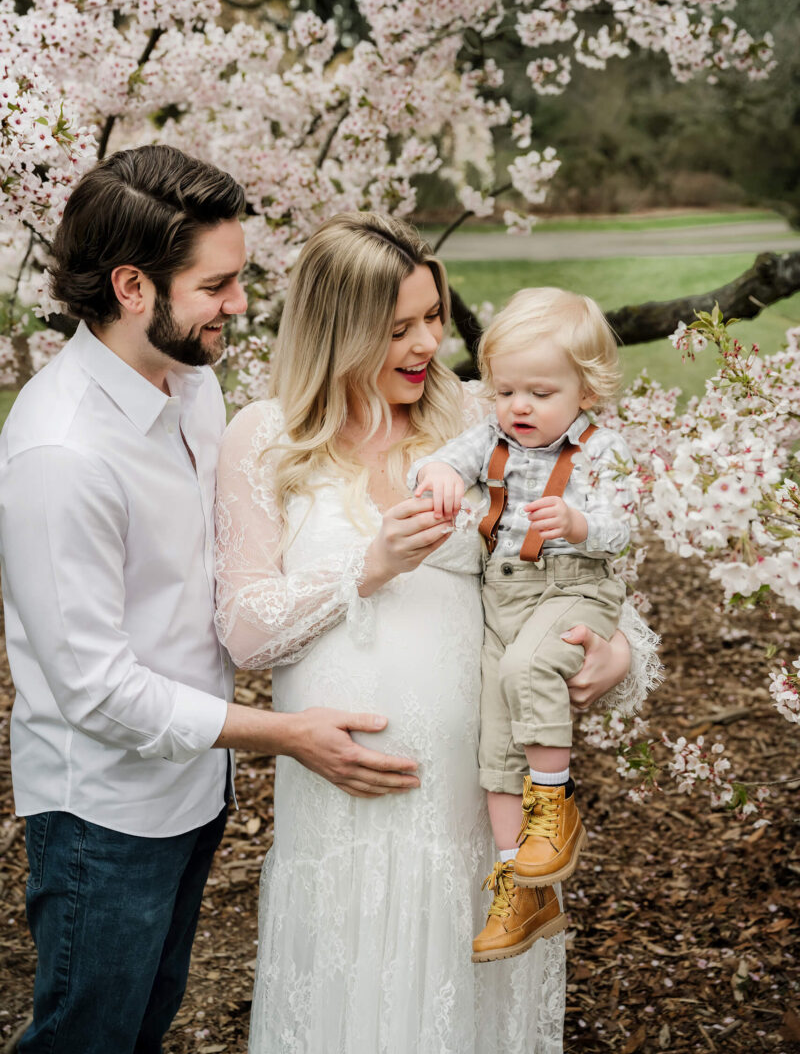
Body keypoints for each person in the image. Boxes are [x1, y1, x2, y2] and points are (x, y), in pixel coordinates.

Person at [0, 148, 420, 1054]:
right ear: (132, 286)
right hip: (101, 814)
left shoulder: (191, 383)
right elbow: (96, 692)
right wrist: (287, 737)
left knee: (145, 1023)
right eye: (218, 284)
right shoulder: (60, 455)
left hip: (194, 782)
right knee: (86, 1037)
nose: (239, 304)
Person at [214, 212, 662, 1053]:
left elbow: (577, 571)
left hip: (472, 798)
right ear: (339, 330)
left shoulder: (472, 421)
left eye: (433, 315)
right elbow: (243, 631)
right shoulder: (266, 438)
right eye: (399, 328)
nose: (429, 342)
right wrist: (368, 566)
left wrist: (620, 652)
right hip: (344, 809)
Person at [411, 287, 637, 962]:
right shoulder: (491, 438)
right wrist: (439, 480)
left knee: (527, 669)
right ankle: (522, 884)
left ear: (587, 391)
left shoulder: (604, 449)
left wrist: (579, 523)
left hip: (573, 587)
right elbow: (440, 460)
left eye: (540, 392)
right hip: (504, 598)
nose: (519, 407)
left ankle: (554, 810)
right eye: (506, 391)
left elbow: (624, 529)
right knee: (495, 746)